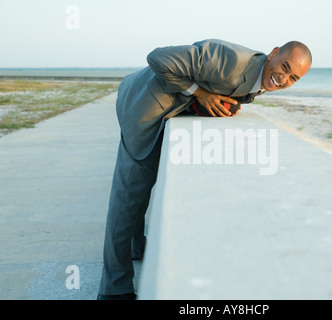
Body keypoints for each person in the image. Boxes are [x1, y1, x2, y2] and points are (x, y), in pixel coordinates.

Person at [97, 39, 312, 300]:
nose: (283, 78)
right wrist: (201, 94)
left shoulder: (264, 75)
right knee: (128, 197)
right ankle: (113, 288)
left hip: (166, 109)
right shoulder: (228, 59)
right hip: (142, 107)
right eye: (284, 67)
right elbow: (157, 58)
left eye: (293, 78)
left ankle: (136, 246)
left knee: (143, 189)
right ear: (274, 53)